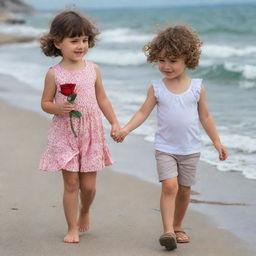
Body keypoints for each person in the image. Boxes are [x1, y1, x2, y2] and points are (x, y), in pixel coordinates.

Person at [113, 25, 228, 250]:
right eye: (162, 60)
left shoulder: (197, 88)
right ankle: (167, 231)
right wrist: (126, 129)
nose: (166, 66)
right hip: (165, 148)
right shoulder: (156, 88)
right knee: (170, 186)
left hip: (191, 148)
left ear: (188, 59)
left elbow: (205, 116)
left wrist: (217, 142)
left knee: (185, 189)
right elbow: (143, 112)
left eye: (173, 60)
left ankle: (177, 226)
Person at [39, 10, 119, 243]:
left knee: (89, 187)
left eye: (84, 40)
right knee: (71, 183)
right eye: (74, 41)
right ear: (57, 43)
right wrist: (57, 108)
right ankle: (72, 227)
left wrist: (114, 122)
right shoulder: (54, 74)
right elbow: (45, 103)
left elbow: (102, 98)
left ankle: (85, 210)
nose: (81, 45)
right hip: (64, 133)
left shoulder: (93, 69)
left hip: (91, 132)